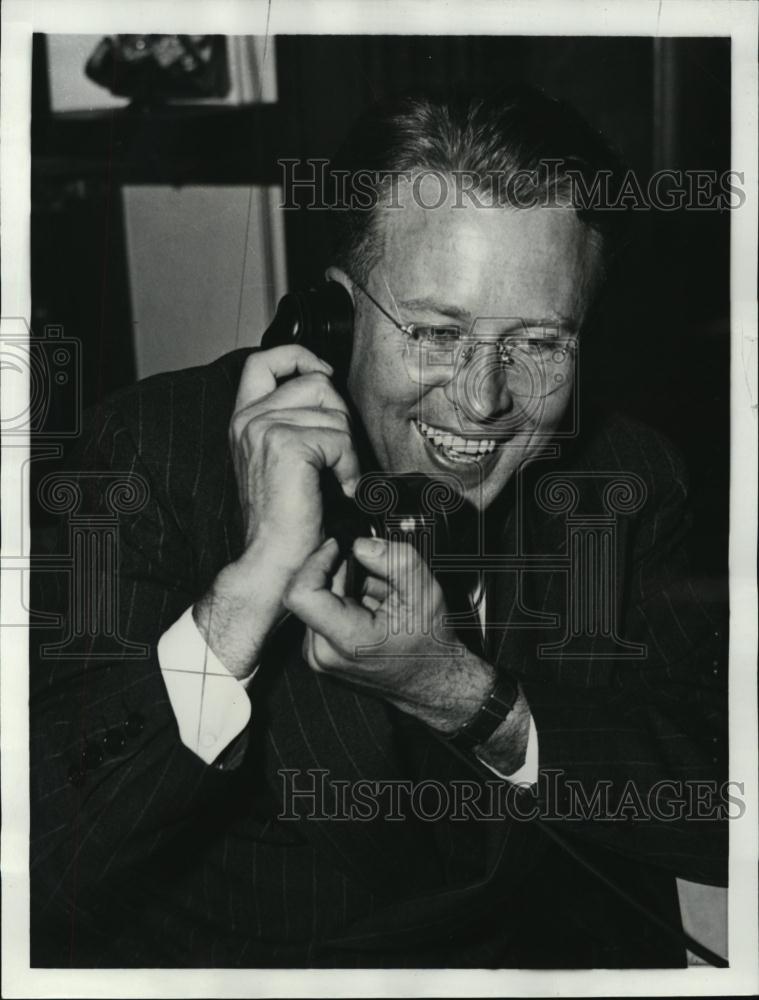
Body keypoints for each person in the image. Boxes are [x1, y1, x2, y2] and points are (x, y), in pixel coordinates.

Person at [30, 87, 727, 969]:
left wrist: (460, 695)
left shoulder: (623, 479)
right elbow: (37, 866)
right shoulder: (149, 459)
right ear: (332, 317)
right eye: (436, 333)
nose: (482, 402)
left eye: (540, 344)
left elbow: (722, 804)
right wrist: (243, 602)